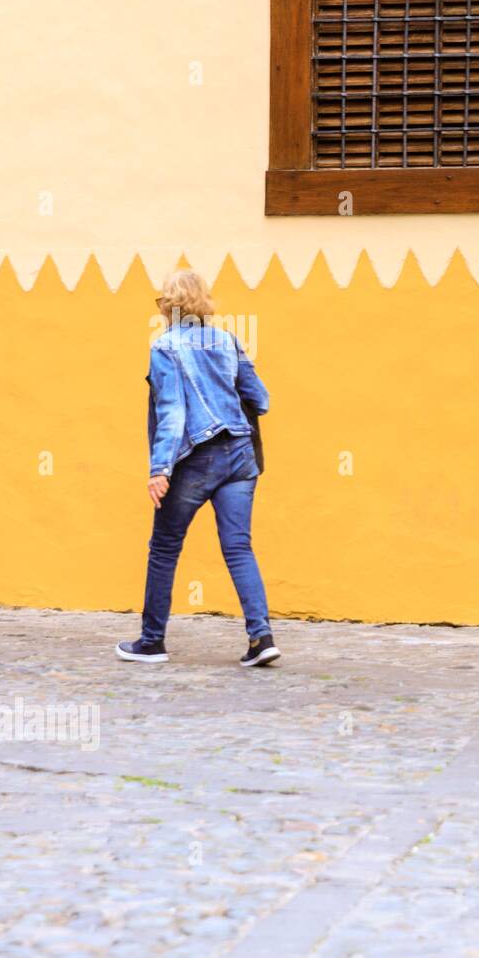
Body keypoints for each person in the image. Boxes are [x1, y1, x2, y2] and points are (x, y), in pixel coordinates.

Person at [116, 269, 280, 667]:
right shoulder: (227, 340)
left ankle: (152, 642)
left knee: (165, 549)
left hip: (196, 459)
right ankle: (261, 639)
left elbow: (172, 412)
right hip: (240, 455)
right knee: (239, 547)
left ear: (169, 305)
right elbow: (261, 399)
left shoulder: (166, 347)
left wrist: (159, 470)